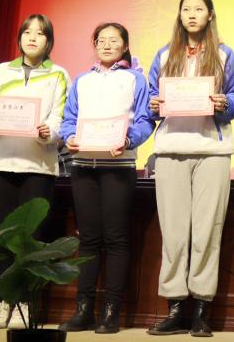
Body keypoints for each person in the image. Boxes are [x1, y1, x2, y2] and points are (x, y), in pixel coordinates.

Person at [147, 0, 234, 337]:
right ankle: (175, 308)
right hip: (171, 149)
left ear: (210, 15)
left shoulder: (225, 54)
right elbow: (149, 102)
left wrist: (224, 103)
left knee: (207, 232)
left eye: (198, 9)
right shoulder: (164, 54)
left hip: (212, 152)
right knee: (173, 234)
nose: (191, 14)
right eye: (186, 9)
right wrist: (154, 105)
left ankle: (202, 309)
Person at [58, 22, 154, 334]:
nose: (107, 45)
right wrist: (69, 136)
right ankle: (83, 309)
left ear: (125, 45)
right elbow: (68, 119)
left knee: (116, 238)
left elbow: (145, 121)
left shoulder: (135, 79)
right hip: (83, 165)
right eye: (101, 40)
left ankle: (111, 311)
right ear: (95, 45)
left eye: (114, 40)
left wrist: (127, 140)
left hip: (118, 165)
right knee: (88, 239)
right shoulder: (82, 80)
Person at [0, 14, 70, 330]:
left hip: (37, 166)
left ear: (49, 40)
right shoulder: (1, 71)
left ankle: (25, 305)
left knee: (31, 239)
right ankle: (1, 302)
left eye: (40, 33)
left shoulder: (59, 74)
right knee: (0, 236)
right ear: (19, 37)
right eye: (27, 32)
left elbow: (60, 116)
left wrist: (49, 132)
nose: (32, 37)